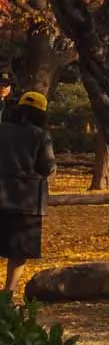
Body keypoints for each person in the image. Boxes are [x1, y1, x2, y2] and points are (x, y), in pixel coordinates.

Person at [0, 91, 54, 294]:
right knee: (18, 252)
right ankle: (8, 294)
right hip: (27, 202)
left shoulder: (1, 130)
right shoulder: (41, 136)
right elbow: (47, 166)